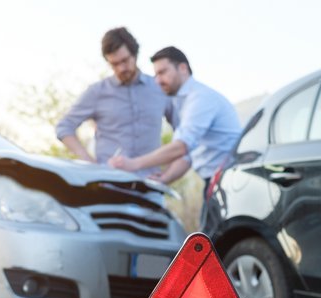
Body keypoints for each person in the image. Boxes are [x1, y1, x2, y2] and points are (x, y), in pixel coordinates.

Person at [108, 46, 241, 190]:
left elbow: (180, 148)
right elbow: (189, 155)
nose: (157, 81)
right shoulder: (185, 102)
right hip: (217, 181)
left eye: (162, 72)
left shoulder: (200, 98)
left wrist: (133, 164)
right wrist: (165, 178)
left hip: (230, 181)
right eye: (156, 75)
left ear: (183, 68)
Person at [55, 27, 170, 177]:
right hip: (109, 184)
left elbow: (184, 135)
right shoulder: (97, 92)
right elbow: (64, 127)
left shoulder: (160, 88)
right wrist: (91, 165)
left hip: (150, 186)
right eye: (114, 64)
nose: (121, 68)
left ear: (135, 55)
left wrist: (168, 174)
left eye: (125, 60)